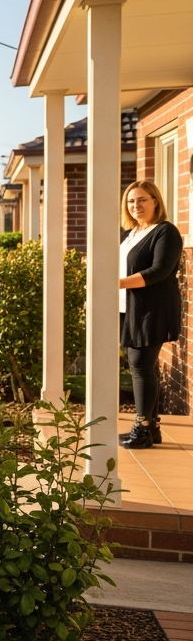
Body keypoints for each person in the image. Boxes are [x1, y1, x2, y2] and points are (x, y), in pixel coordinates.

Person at [118, 180, 181, 449]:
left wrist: (116, 282)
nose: (136, 205)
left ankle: (142, 428)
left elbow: (160, 271)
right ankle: (152, 428)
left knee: (141, 368)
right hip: (128, 309)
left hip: (151, 310)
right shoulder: (131, 233)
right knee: (141, 368)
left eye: (142, 199)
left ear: (156, 201)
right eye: (131, 201)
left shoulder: (165, 232)